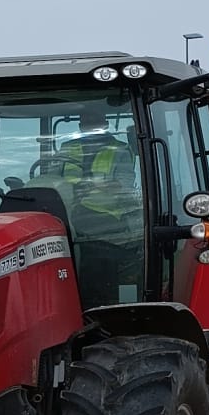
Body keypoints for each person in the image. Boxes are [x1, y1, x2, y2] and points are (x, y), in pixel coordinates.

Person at [52, 103, 145, 304]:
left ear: (105, 123)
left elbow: (124, 187)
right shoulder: (67, 149)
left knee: (94, 266)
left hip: (106, 225)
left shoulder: (119, 150)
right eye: (85, 120)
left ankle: (97, 307)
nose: (89, 124)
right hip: (66, 216)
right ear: (80, 124)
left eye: (93, 120)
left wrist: (93, 185)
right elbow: (52, 178)